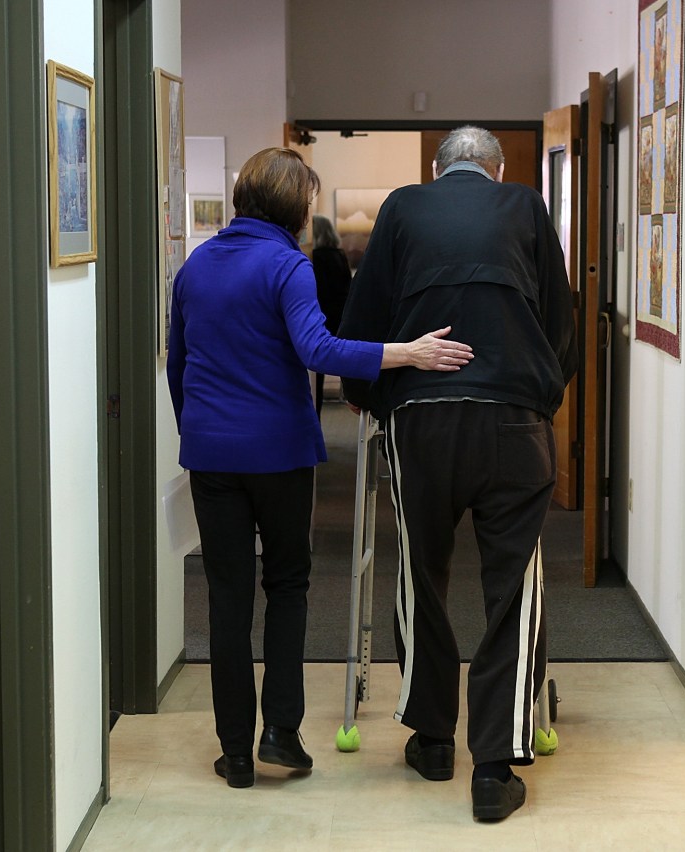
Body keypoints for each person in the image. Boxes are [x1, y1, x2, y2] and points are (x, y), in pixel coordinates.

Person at [166, 147, 474, 789]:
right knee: (286, 586)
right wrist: (406, 353)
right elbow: (318, 350)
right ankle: (281, 732)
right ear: (293, 206)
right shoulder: (287, 266)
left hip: (211, 453)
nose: (312, 212)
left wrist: (199, 426)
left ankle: (235, 753)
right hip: (277, 452)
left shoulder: (195, 266)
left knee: (226, 600)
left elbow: (179, 361)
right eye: (308, 199)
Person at [338, 126, 577, 821]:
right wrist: (535, 393)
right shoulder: (527, 206)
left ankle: (434, 738)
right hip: (514, 422)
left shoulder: (402, 209)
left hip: (424, 422)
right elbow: (560, 326)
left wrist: (385, 400)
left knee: (422, 572)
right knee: (513, 587)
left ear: (436, 170)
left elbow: (362, 327)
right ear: (495, 171)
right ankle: (495, 769)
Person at [308, 214, 353, 415]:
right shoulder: (339, 254)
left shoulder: (315, 258)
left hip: (319, 320)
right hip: (338, 320)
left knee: (313, 378)